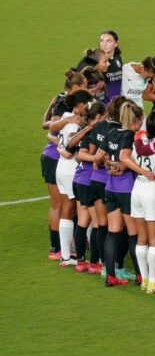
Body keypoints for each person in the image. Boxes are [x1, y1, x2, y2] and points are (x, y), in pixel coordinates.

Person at [97, 102, 155, 287]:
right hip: (126, 189)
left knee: (113, 232)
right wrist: (144, 172)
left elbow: (100, 158)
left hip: (111, 188)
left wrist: (109, 165)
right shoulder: (130, 135)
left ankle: (110, 276)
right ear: (137, 120)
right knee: (134, 233)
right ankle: (141, 276)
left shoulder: (111, 133)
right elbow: (124, 157)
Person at [41, 70, 87, 261]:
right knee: (59, 206)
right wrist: (67, 122)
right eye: (82, 87)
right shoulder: (64, 103)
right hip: (55, 158)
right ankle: (56, 248)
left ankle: (66, 246)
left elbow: (47, 127)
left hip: (57, 156)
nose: (84, 91)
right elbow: (50, 126)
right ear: (73, 88)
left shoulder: (64, 102)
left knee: (68, 206)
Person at [89, 96, 130, 278]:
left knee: (101, 225)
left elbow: (94, 155)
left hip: (94, 179)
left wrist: (101, 162)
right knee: (118, 228)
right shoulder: (121, 132)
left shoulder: (98, 126)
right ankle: (116, 266)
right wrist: (110, 163)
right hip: (112, 181)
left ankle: (102, 264)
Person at [52, 90, 92, 267]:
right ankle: (68, 256)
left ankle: (66, 254)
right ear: (79, 106)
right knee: (75, 210)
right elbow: (71, 147)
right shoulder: (75, 123)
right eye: (87, 104)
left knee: (67, 210)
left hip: (60, 168)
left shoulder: (66, 117)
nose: (89, 107)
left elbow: (52, 134)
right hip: (70, 170)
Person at [131, 110, 155, 294]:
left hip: (137, 189)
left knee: (142, 238)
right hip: (153, 191)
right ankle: (153, 282)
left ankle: (145, 280)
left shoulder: (138, 140)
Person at [71, 101, 107, 273]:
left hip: (78, 179)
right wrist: (100, 160)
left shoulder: (83, 129)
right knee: (99, 224)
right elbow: (83, 155)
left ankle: (80, 261)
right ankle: (94, 263)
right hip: (88, 179)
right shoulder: (96, 131)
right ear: (99, 116)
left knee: (83, 222)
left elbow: (75, 152)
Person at [99, 30, 123, 102]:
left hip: (116, 103)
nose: (104, 44)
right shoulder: (97, 61)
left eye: (108, 41)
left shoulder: (118, 58)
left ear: (116, 44)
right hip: (103, 104)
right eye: (102, 41)